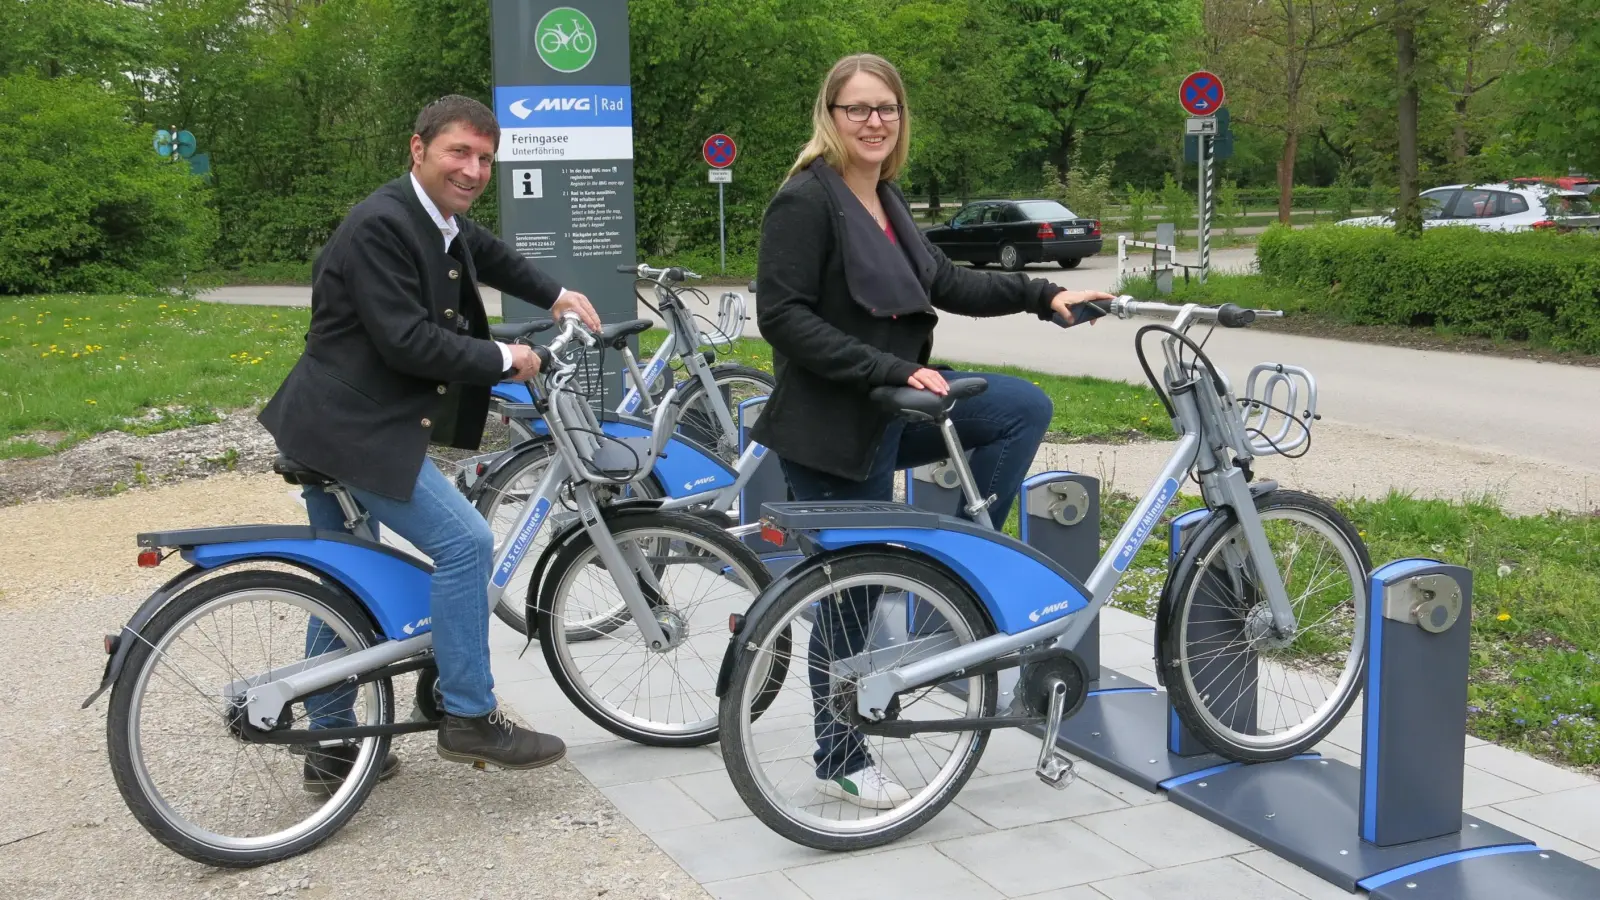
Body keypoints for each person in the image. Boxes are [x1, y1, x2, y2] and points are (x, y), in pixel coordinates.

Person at [750, 54, 1114, 809]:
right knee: (848, 602)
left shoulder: (885, 196)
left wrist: (1044, 295)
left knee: (1018, 407)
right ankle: (840, 755)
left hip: (891, 413)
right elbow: (781, 319)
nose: (875, 121)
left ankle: (941, 573)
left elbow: (945, 283)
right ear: (831, 115)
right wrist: (880, 370)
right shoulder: (805, 201)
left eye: (887, 108)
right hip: (832, 428)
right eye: (858, 109)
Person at [258, 95, 602, 793]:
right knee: (466, 544)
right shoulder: (383, 225)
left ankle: (330, 745)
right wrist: (506, 359)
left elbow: (488, 253)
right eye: (458, 153)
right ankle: (469, 714)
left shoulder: (436, 219)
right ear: (417, 150)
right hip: (354, 432)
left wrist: (559, 292)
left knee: (344, 586)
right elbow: (407, 342)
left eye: (484, 158)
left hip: (334, 422)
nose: (473, 170)